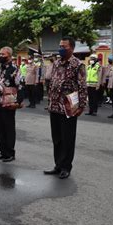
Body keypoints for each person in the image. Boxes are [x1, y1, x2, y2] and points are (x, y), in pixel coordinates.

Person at [44, 36, 87, 179]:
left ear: (72, 48)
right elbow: (52, 82)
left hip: (68, 106)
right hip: (55, 106)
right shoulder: (56, 63)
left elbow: (82, 86)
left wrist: (81, 105)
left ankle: (66, 167)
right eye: (60, 46)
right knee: (56, 138)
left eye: (64, 47)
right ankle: (58, 165)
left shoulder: (77, 64)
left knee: (67, 138)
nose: (61, 48)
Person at [0, 46, 23, 163]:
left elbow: (20, 86)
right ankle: (3, 152)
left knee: (8, 128)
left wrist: (18, 102)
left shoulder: (14, 69)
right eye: (0, 54)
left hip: (9, 103)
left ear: (9, 55)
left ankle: (10, 153)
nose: (0, 56)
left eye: (3, 54)